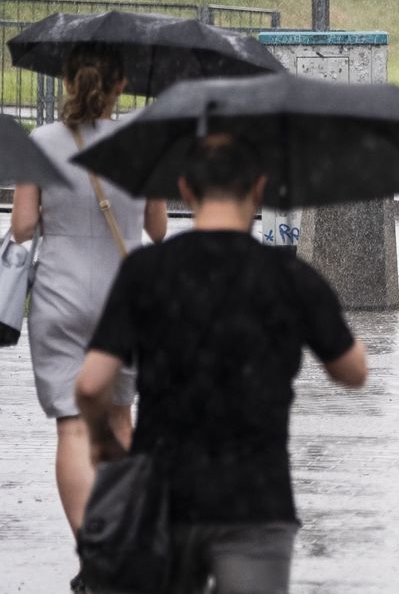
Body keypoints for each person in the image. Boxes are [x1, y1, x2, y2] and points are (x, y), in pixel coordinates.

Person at [75, 134, 368, 594]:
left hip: (164, 500)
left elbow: (91, 385)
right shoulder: (289, 276)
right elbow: (353, 372)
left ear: (186, 190)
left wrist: (99, 441)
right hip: (257, 500)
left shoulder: (147, 271)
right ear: (258, 189)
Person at [9, 43, 168, 594]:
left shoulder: (41, 143)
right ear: (121, 85)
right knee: (119, 421)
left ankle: (92, 556)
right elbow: (158, 229)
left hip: (59, 298)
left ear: (70, 79)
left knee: (73, 426)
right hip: (122, 300)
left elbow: (24, 227)